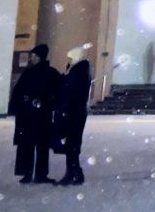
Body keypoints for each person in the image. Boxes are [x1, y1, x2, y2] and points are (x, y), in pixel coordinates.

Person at [7, 44, 61, 184]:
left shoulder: (47, 73)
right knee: (30, 145)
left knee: (40, 146)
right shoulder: (33, 73)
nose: (32, 58)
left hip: (39, 116)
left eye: (34, 56)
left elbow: (56, 91)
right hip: (32, 116)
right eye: (32, 56)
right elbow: (19, 92)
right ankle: (30, 173)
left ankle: (37, 174)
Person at [52, 49, 92, 186]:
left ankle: (73, 172)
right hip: (74, 112)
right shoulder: (78, 71)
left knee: (72, 143)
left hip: (74, 112)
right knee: (72, 143)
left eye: (70, 58)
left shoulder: (79, 72)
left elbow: (72, 92)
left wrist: (65, 106)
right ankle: (75, 172)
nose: (68, 61)